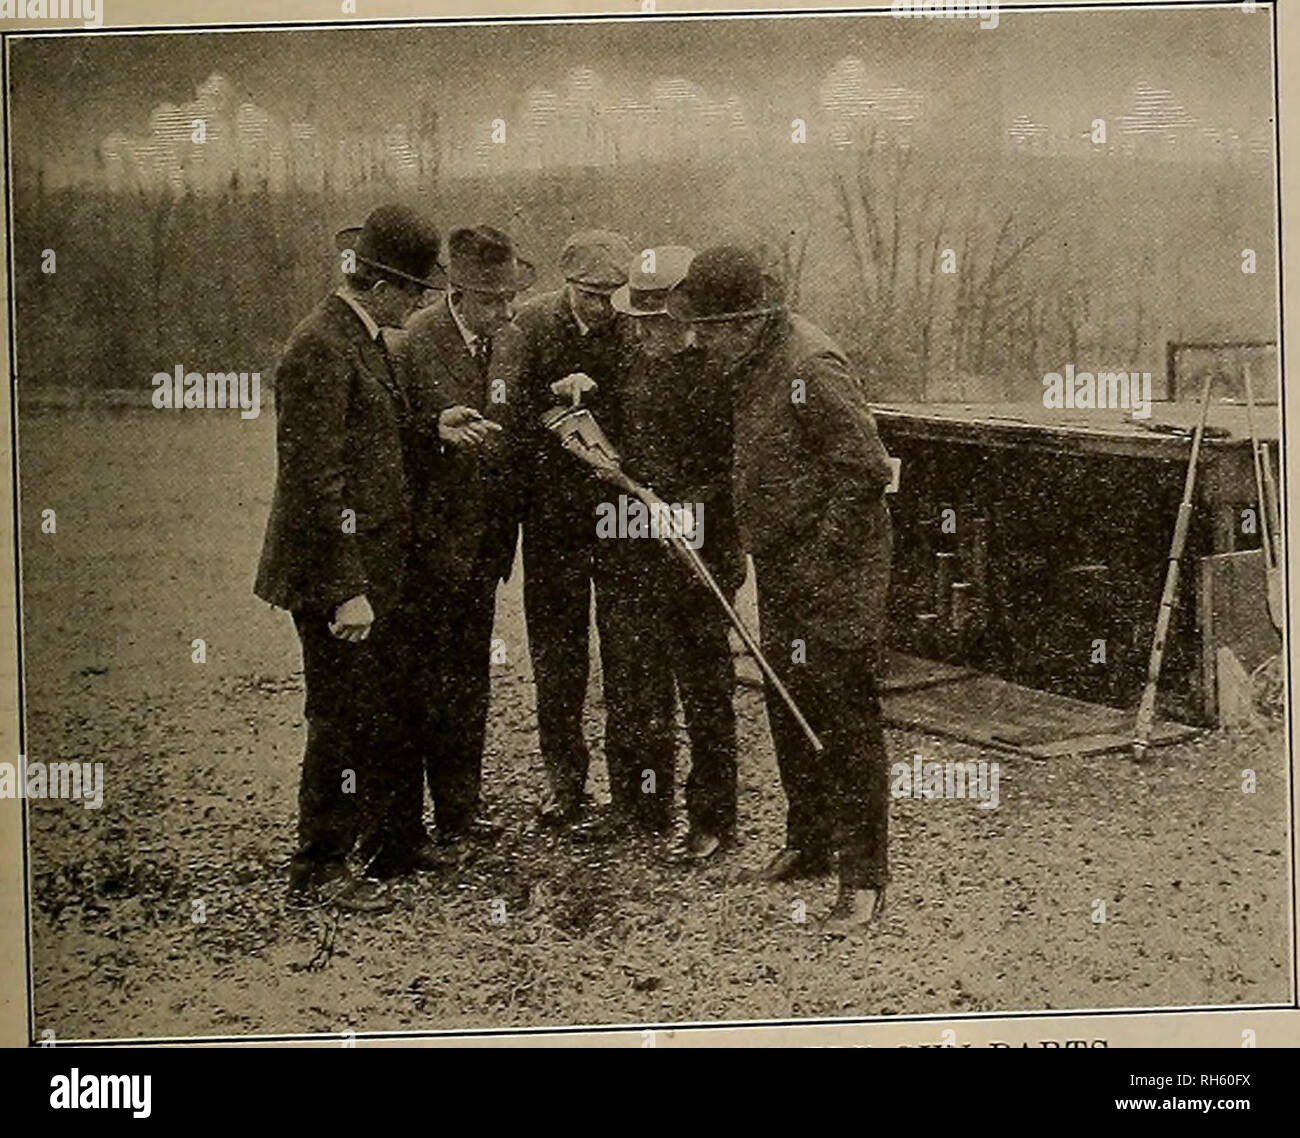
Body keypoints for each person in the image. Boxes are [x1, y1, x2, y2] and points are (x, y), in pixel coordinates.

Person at [666, 243, 895, 929]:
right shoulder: (751, 362)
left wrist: (817, 562)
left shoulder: (809, 365)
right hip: (787, 566)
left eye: (707, 328)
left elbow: (866, 471)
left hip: (836, 571)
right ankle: (810, 842)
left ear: (743, 320)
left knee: (844, 715)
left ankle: (864, 878)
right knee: (788, 698)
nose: (698, 341)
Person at [254, 204, 442, 911]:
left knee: (378, 708)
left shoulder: (361, 340)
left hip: (369, 567)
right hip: (335, 574)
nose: (421, 303)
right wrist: (345, 590)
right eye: (417, 291)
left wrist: (434, 425)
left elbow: (374, 439)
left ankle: (386, 846)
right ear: (385, 286)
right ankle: (319, 865)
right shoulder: (319, 348)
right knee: (339, 717)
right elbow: (314, 481)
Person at [372, 226, 532, 874]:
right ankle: (400, 829)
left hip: (483, 554)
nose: (509, 312)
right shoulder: (409, 349)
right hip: (424, 557)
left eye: (512, 297)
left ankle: (460, 813)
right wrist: (435, 435)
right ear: (459, 296)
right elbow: (387, 446)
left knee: (469, 686)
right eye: (495, 301)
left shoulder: (515, 345)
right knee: (415, 691)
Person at [596, 245, 743, 856]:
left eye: (661, 320)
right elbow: (623, 439)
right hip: (633, 544)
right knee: (634, 681)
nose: (648, 331)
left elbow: (736, 468)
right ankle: (640, 806)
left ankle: (712, 818)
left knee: (705, 688)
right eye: (641, 319)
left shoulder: (723, 373)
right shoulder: (630, 358)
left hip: (701, 551)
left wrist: (681, 513)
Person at [492, 229, 635, 827]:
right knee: (558, 651)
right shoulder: (526, 324)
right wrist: (547, 398)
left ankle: (632, 791)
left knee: (626, 647)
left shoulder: (629, 331)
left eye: (610, 295)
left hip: (616, 514)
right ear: (567, 283)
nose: (600, 307)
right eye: (588, 294)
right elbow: (499, 411)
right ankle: (564, 783)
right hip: (551, 517)